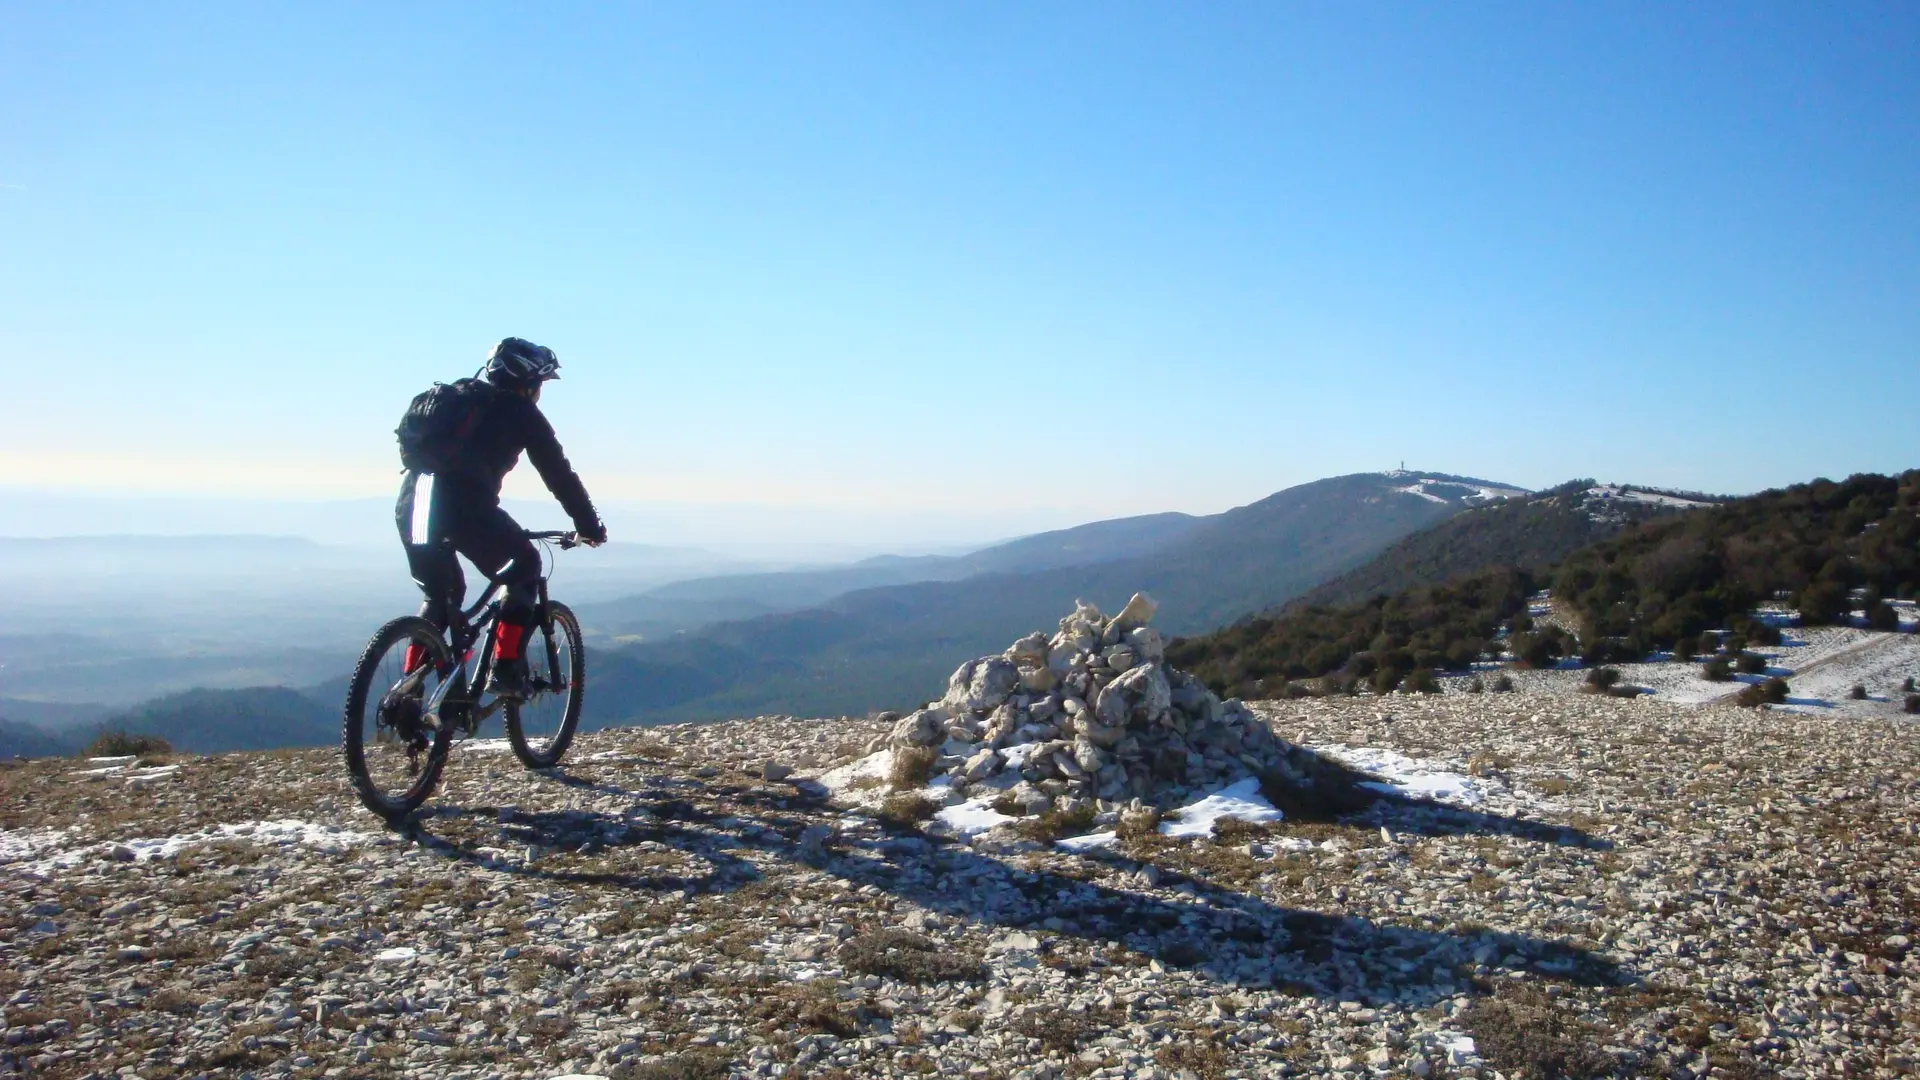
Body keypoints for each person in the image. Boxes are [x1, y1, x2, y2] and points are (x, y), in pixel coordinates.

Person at [394, 338, 607, 698]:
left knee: (441, 596)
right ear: (529, 383)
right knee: (524, 566)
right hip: (465, 509)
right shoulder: (521, 412)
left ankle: (407, 691)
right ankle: (505, 669)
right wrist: (589, 525)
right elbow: (559, 475)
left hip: (413, 504)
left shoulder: (458, 399)